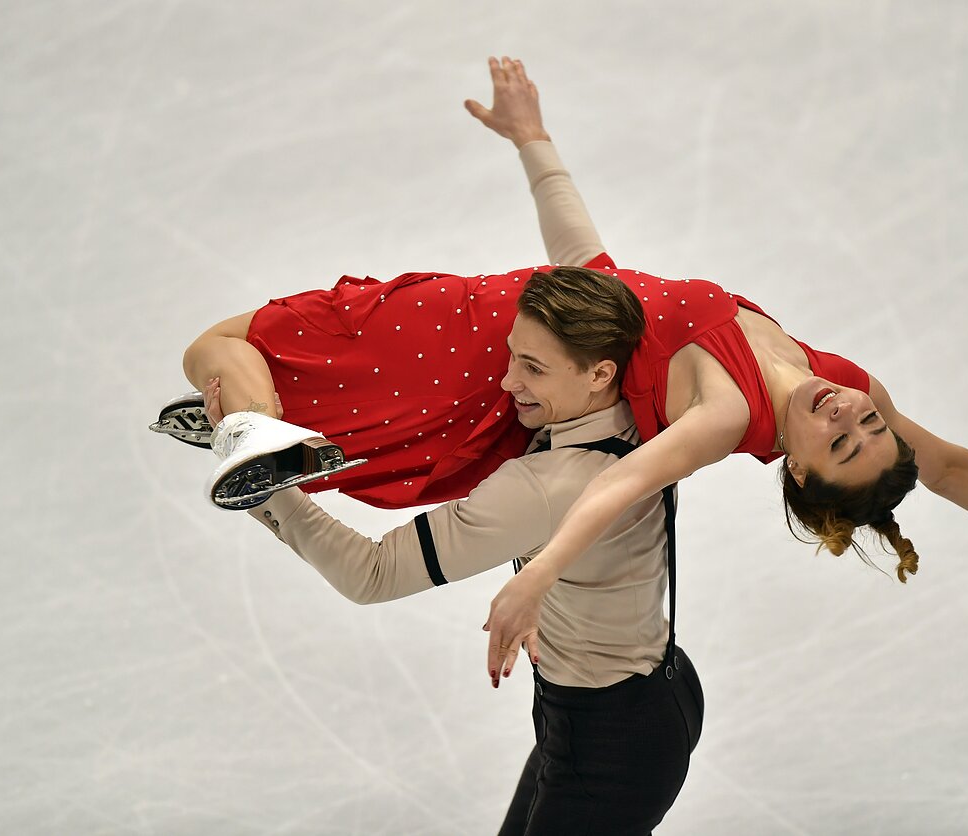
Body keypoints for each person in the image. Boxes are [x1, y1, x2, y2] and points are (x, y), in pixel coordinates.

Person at [166, 56, 968, 686]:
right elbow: (946, 465)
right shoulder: (843, 383)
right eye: (869, 425)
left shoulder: (722, 414)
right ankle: (246, 433)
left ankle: (247, 433)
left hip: (485, 347)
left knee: (218, 347)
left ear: (796, 467)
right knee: (233, 357)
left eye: (840, 441)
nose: (851, 414)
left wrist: (539, 574)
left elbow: (620, 484)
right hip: (527, 322)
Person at [206, 267, 704, 835]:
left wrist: (266, 485)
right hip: (659, 689)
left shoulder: (540, 489)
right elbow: (588, 258)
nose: (507, 381)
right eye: (513, 355)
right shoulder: (652, 402)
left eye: (533, 368)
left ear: (599, 373)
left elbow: (372, 574)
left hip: (607, 747)